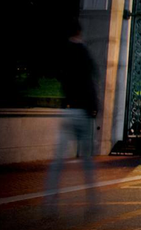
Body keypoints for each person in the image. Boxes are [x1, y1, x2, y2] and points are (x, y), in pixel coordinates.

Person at [45, 20, 99, 211]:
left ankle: (49, 201)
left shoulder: (63, 52)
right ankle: (92, 201)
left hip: (67, 110)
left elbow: (59, 75)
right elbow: (90, 81)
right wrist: (94, 108)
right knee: (86, 159)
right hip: (82, 111)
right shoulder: (82, 52)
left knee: (58, 159)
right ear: (79, 32)